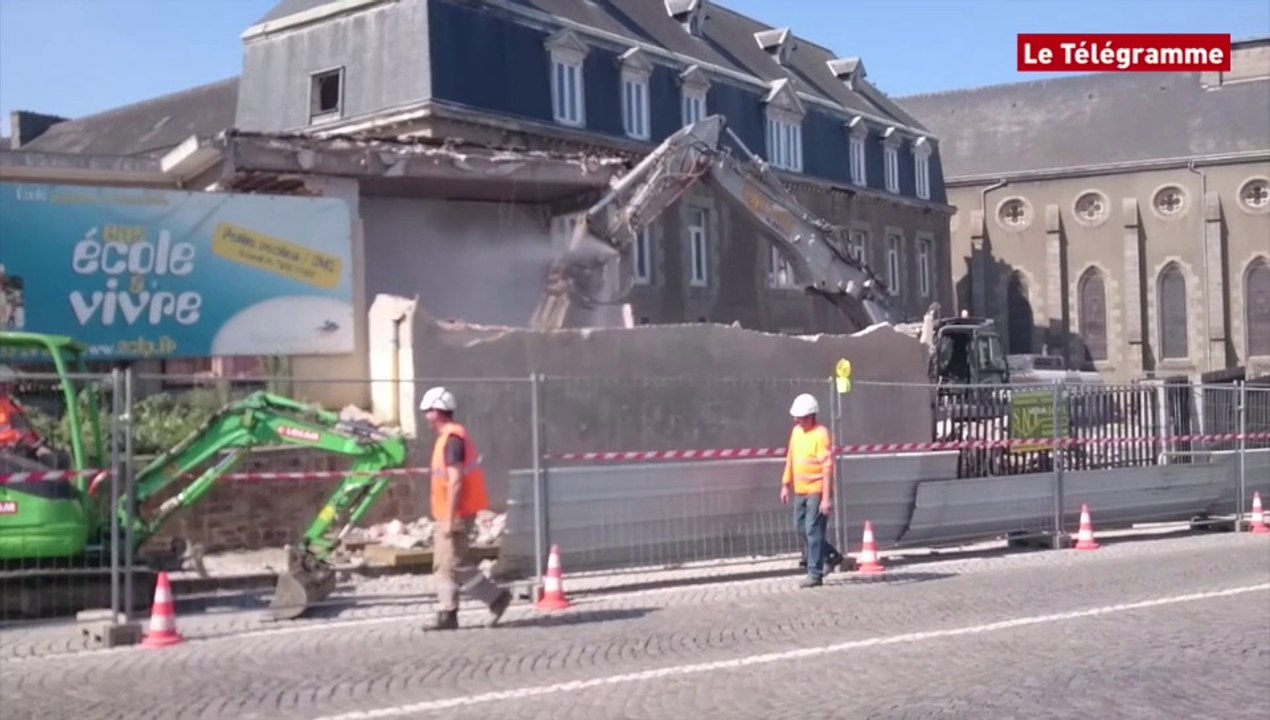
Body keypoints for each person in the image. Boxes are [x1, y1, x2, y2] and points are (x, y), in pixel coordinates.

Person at [420, 385, 513, 630]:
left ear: (437, 412)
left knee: (456, 564)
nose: (425, 415)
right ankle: (447, 614)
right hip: (447, 513)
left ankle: (496, 597)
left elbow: (456, 480)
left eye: (427, 410)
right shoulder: (447, 439)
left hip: (456, 513)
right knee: (443, 565)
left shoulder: (452, 440)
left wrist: (450, 519)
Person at [780, 393, 844, 588]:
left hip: (816, 490)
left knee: (813, 531)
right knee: (801, 529)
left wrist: (826, 499)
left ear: (811, 416)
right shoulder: (797, 433)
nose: (796, 420)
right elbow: (791, 458)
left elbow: (827, 468)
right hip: (801, 490)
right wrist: (786, 484)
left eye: (800, 417)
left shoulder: (821, 434)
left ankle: (814, 573)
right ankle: (831, 555)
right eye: (796, 417)